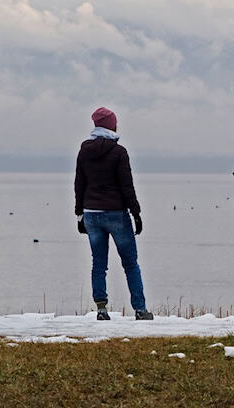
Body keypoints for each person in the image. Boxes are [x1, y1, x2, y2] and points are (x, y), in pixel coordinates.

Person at [74, 107, 153, 321]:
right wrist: (136, 214)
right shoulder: (119, 152)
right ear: (112, 125)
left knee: (98, 264)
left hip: (91, 213)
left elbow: (79, 184)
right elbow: (127, 187)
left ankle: (101, 309)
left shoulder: (84, 151)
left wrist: (79, 213)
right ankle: (140, 309)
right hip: (116, 214)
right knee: (130, 263)